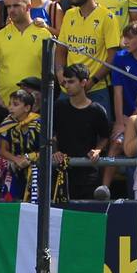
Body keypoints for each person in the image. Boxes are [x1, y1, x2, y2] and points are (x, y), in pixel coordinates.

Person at [52, 63, 111, 201]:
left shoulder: (97, 110)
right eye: (64, 82)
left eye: (71, 81)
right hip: (62, 172)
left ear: (84, 82)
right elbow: (51, 134)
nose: (66, 86)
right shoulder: (59, 107)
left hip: (87, 174)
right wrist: (55, 151)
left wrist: (98, 150)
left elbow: (105, 137)